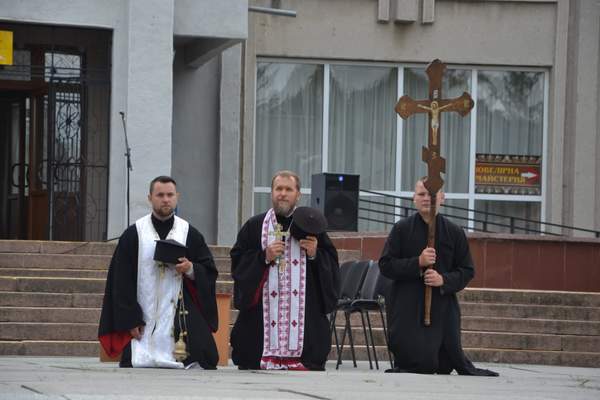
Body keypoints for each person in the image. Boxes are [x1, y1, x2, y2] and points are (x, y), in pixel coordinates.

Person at [379, 178, 498, 376]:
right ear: (413, 199)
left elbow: (467, 270)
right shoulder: (401, 229)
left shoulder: (454, 232)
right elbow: (386, 265)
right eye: (421, 194)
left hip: (442, 305)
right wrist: (417, 262)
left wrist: (443, 280)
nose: (427, 199)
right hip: (407, 305)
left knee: (443, 364)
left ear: (442, 198)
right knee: (420, 363)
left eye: (432, 194)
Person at [98, 176, 219, 369]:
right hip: (143, 316)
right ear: (150, 198)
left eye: (170, 195)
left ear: (177, 197)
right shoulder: (134, 234)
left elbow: (209, 271)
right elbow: (121, 281)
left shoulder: (190, 233)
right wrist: (130, 318)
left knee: (207, 358)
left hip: (180, 313)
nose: (165, 199)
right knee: (134, 359)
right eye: (160, 195)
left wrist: (191, 269)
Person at [230, 170, 340, 370]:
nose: (283, 193)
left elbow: (331, 265)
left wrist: (315, 254)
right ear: (272, 193)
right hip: (261, 314)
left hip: (305, 312)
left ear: (298, 194)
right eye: (278, 189)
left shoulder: (313, 226)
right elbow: (238, 262)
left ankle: (298, 357)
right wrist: (264, 257)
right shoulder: (255, 226)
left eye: (288, 189)